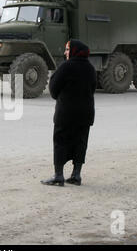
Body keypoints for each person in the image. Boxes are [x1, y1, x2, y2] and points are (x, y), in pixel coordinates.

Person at [41, 39, 96, 186]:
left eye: (67, 49)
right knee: (81, 142)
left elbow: (53, 89)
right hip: (85, 114)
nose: (65, 52)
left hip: (66, 114)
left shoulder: (66, 66)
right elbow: (93, 88)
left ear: (74, 51)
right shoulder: (90, 68)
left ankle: (58, 175)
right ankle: (76, 175)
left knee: (60, 142)